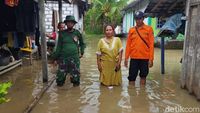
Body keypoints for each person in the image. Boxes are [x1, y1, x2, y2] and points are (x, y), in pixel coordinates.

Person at [51, 15, 86, 87]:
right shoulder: (62, 34)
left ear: (74, 24)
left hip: (75, 58)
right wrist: (55, 58)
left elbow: (82, 43)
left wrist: (82, 52)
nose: (70, 24)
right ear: (66, 24)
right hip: (63, 58)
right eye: (68, 22)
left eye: (71, 22)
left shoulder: (77, 33)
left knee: (76, 78)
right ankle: (60, 94)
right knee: (60, 79)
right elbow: (59, 47)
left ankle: (76, 95)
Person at [124, 11, 154, 86]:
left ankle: (142, 94)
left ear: (143, 18)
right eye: (136, 19)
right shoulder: (131, 30)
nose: (138, 20)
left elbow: (151, 45)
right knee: (131, 77)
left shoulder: (149, 29)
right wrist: (126, 58)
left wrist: (151, 59)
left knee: (143, 76)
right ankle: (132, 94)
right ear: (135, 19)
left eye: (140, 18)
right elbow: (128, 45)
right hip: (134, 57)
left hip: (145, 58)